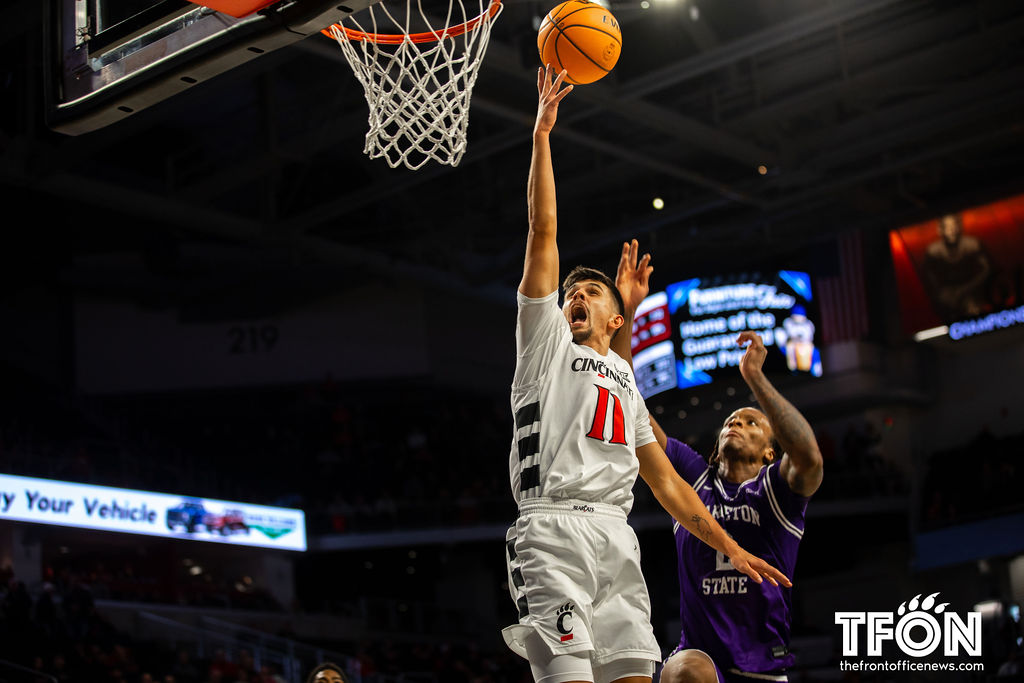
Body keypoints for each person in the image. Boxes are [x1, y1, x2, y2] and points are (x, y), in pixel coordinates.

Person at [501, 67, 790, 683]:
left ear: (614, 318)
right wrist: (542, 136)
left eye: (590, 292)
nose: (574, 296)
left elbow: (668, 485)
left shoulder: (624, 380)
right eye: (570, 293)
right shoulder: (544, 344)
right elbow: (542, 230)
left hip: (617, 536)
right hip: (552, 531)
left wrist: (731, 547)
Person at [612, 242, 823, 683]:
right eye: (731, 420)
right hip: (702, 656)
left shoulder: (776, 489)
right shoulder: (693, 475)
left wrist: (755, 378)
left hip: (763, 662)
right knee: (683, 671)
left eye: (751, 422)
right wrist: (627, 312)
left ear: (770, 452)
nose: (736, 422)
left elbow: (808, 457)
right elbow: (631, 406)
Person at [922, 212, 991, 321]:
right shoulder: (933, 251)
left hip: (972, 290)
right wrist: (942, 293)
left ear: (960, 227)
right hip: (946, 295)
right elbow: (929, 277)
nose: (952, 230)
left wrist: (965, 289)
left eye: (954, 226)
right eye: (947, 227)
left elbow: (986, 270)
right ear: (940, 229)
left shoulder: (972, 245)